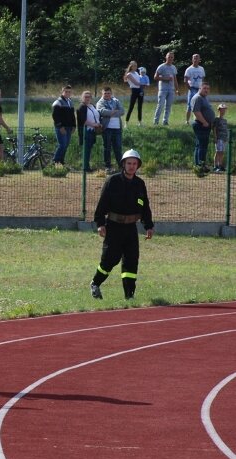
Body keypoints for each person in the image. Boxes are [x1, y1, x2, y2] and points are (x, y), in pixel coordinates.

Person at [90, 149, 154, 301]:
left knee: (131, 262)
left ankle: (129, 295)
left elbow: (145, 207)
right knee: (110, 259)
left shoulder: (140, 184)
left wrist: (149, 226)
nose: (131, 166)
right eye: (129, 163)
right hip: (114, 227)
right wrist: (100, 223)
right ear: (123, 164)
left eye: (134, 164)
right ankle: (95, 283)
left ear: (138, 166)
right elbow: (102, 205)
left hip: (131, 229)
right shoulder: (112, 181)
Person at [96, 86, 125, 172]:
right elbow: (102, 111)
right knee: (107, 147)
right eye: (105, 93)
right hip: (107, 128)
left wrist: (110, 113)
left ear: (111, 93)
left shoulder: (116, 100)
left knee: (118, 147)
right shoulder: (100, 102)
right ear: (102, 94)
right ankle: (107, 165)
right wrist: (115, 111)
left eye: (108, 93)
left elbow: (122, 111)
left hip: (117, 128)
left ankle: (121, 165)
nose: (107, 95)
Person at [190, 82, 215, 170]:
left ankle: (199, 165)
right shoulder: (198, 98)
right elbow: (196, 111)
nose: (206, 90)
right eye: (204, 88)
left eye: (208, 88)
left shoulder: (204, 98)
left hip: (205, 125)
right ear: (199, 88)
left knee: (200, 145)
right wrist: (204, 122)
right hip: (201, 124)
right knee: (202, 146)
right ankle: (201, 165)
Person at [76, 90, 101, 172]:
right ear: (82, 98)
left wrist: (98, 124)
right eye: (85, 97)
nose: (87, 98)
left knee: (89, 149)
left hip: (92, 130)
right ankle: (85, 168)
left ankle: (87, 166)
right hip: (86, 130)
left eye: (89, 96)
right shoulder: (82, 106)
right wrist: (94, 125)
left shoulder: (92, 106)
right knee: (86, 150)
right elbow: (83, 120)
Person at [51, 85, 76, 164]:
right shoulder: (58, 102)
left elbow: (72, 116)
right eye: (66, 91)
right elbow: (55, 115)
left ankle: (61, 162)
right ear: (62, 92)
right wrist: (60, 126)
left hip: (69, 127)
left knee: (66, 145)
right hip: (61, 128)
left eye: (69, 92)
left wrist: (74, 126)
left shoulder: (70, 102)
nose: (68, 93)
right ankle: (54, 162)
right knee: (62, 145)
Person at [153, 52, 178, 125]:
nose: (170, 58)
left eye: (172, 57)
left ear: (173, 58)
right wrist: (165, 78)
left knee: (168, 106)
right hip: (163, 89)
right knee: (160, 105)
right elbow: (155, 77)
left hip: (171, 89)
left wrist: (177, 89)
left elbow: (175, 79)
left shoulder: (173, 67)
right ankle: (156, 122)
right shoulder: (161, 66)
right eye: (169, 57)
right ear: (166, 57)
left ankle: (165, 121)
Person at [184, 54, 205, 125]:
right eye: (194, 58)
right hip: (192, 88)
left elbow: (203, 79)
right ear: (192, 59)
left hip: (200, 89)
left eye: (197, 58)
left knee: (200, 104)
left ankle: (198, 119)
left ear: (199, 59)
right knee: (190, 105)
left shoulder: (201, 68)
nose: (195, 60)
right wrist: (190, 88)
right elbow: (185, 80)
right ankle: (187, 121)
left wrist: (202, 88)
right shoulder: (189, 69)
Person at [123, 61, 144, 126]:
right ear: (131, 66)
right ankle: (126, 122)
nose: (135, 67)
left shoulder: (137, 73)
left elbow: (139, 81)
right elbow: (135, 83)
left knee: (140, 107)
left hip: (140, 90)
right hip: (134, 90)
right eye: (134, 65)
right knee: (131, 107)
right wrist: (144, 83)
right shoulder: (129, 74)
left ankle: (140, 122)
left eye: (136, 65)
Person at [213, 104, 228, 172]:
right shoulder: (216, 119)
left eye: (224, 109)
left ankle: (220, 165)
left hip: (224, 138)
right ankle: (216, 166)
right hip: (219, 138)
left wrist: (226, 138)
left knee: (222, 152)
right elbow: (214, 129)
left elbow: (225, 129)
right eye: (222, 109)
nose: (224, 110)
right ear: (219, 110)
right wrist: (215, 137)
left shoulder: (225, 120)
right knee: (218, 152)